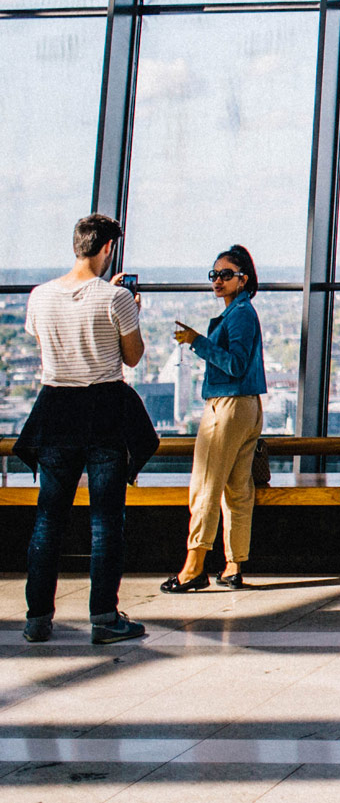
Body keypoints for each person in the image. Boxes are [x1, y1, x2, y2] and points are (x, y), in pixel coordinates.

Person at [13, 214, 155, 644]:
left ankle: (37, 618)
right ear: (108, 249)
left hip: (55, 411)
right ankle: (104, 617)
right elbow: (132, 358)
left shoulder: (39, 297)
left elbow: (44, 345)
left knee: (48, 519)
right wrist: (131, 312)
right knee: (105, 521)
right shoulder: (115, 299)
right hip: (103, 414)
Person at [161, 246, 267, 593]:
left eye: (226, 274)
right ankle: (233, 565)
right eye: (214, 275)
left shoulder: (239, 315)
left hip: (227, 407)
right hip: (247, 407)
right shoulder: (242, 313)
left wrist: (197, 342)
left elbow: (234, 364)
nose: (218, 281)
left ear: (243, 279)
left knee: (206, 486)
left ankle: (193, 567)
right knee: (238, 489)